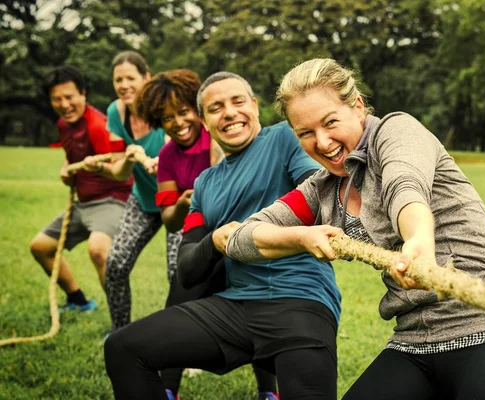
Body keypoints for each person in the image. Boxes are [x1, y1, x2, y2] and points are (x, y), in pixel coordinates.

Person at [226, 58, 485, 400]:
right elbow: (243, 239)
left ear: (356, 106)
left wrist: (419, 242)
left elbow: (405, 186)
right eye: (306, 133)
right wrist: (301, 236)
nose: (322, 142)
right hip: (414, 344)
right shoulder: (320, 189)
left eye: (330, 122)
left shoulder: (396, 132)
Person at [104, 71, 341, 400]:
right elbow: (187, 270)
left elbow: (319, 195)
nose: (229, 112)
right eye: (216, 108)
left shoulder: (284, 139)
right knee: (123, 348)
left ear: (255, 106)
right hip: (235, 308)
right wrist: (214, 240)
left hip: (299, 301)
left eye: (238, 101)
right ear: (204, 120)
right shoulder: (204, 185)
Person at [134, 68, 274, 400]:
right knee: (178, 302)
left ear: (198, 114)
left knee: (261, 305)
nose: (178, 122)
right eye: (167, 118)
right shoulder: (168, 156)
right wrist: (185, 202)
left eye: (183, 112)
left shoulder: (222, 134)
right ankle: (168, 389)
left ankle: (270, 392)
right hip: (201, 238)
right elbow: (169, 220)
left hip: (244, 235)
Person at [84, 50, 174, 332]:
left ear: (146, 78)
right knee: (115, 266)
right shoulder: (116, 112)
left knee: (179, 274)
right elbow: (117, 171)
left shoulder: (164, 107)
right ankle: (120, 333)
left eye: (130, 78)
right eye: (118, 79)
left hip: (179, 201)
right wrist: (128, 157)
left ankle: (187, 348)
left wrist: (164, 162)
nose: (124, 85)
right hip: (144, 200)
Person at [30, 66, 132, 312]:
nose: (65, 104)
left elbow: (123, 170)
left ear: (83, 94)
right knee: (40, 247)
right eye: (57, 99)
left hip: (112, 199)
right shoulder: (64, 125)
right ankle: (79, 301)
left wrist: (96, 168)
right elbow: (73, 155)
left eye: (70, 97)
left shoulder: (99, 125)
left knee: (98, 249)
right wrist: (68, 169)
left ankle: (121, 323)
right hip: (83, 203)